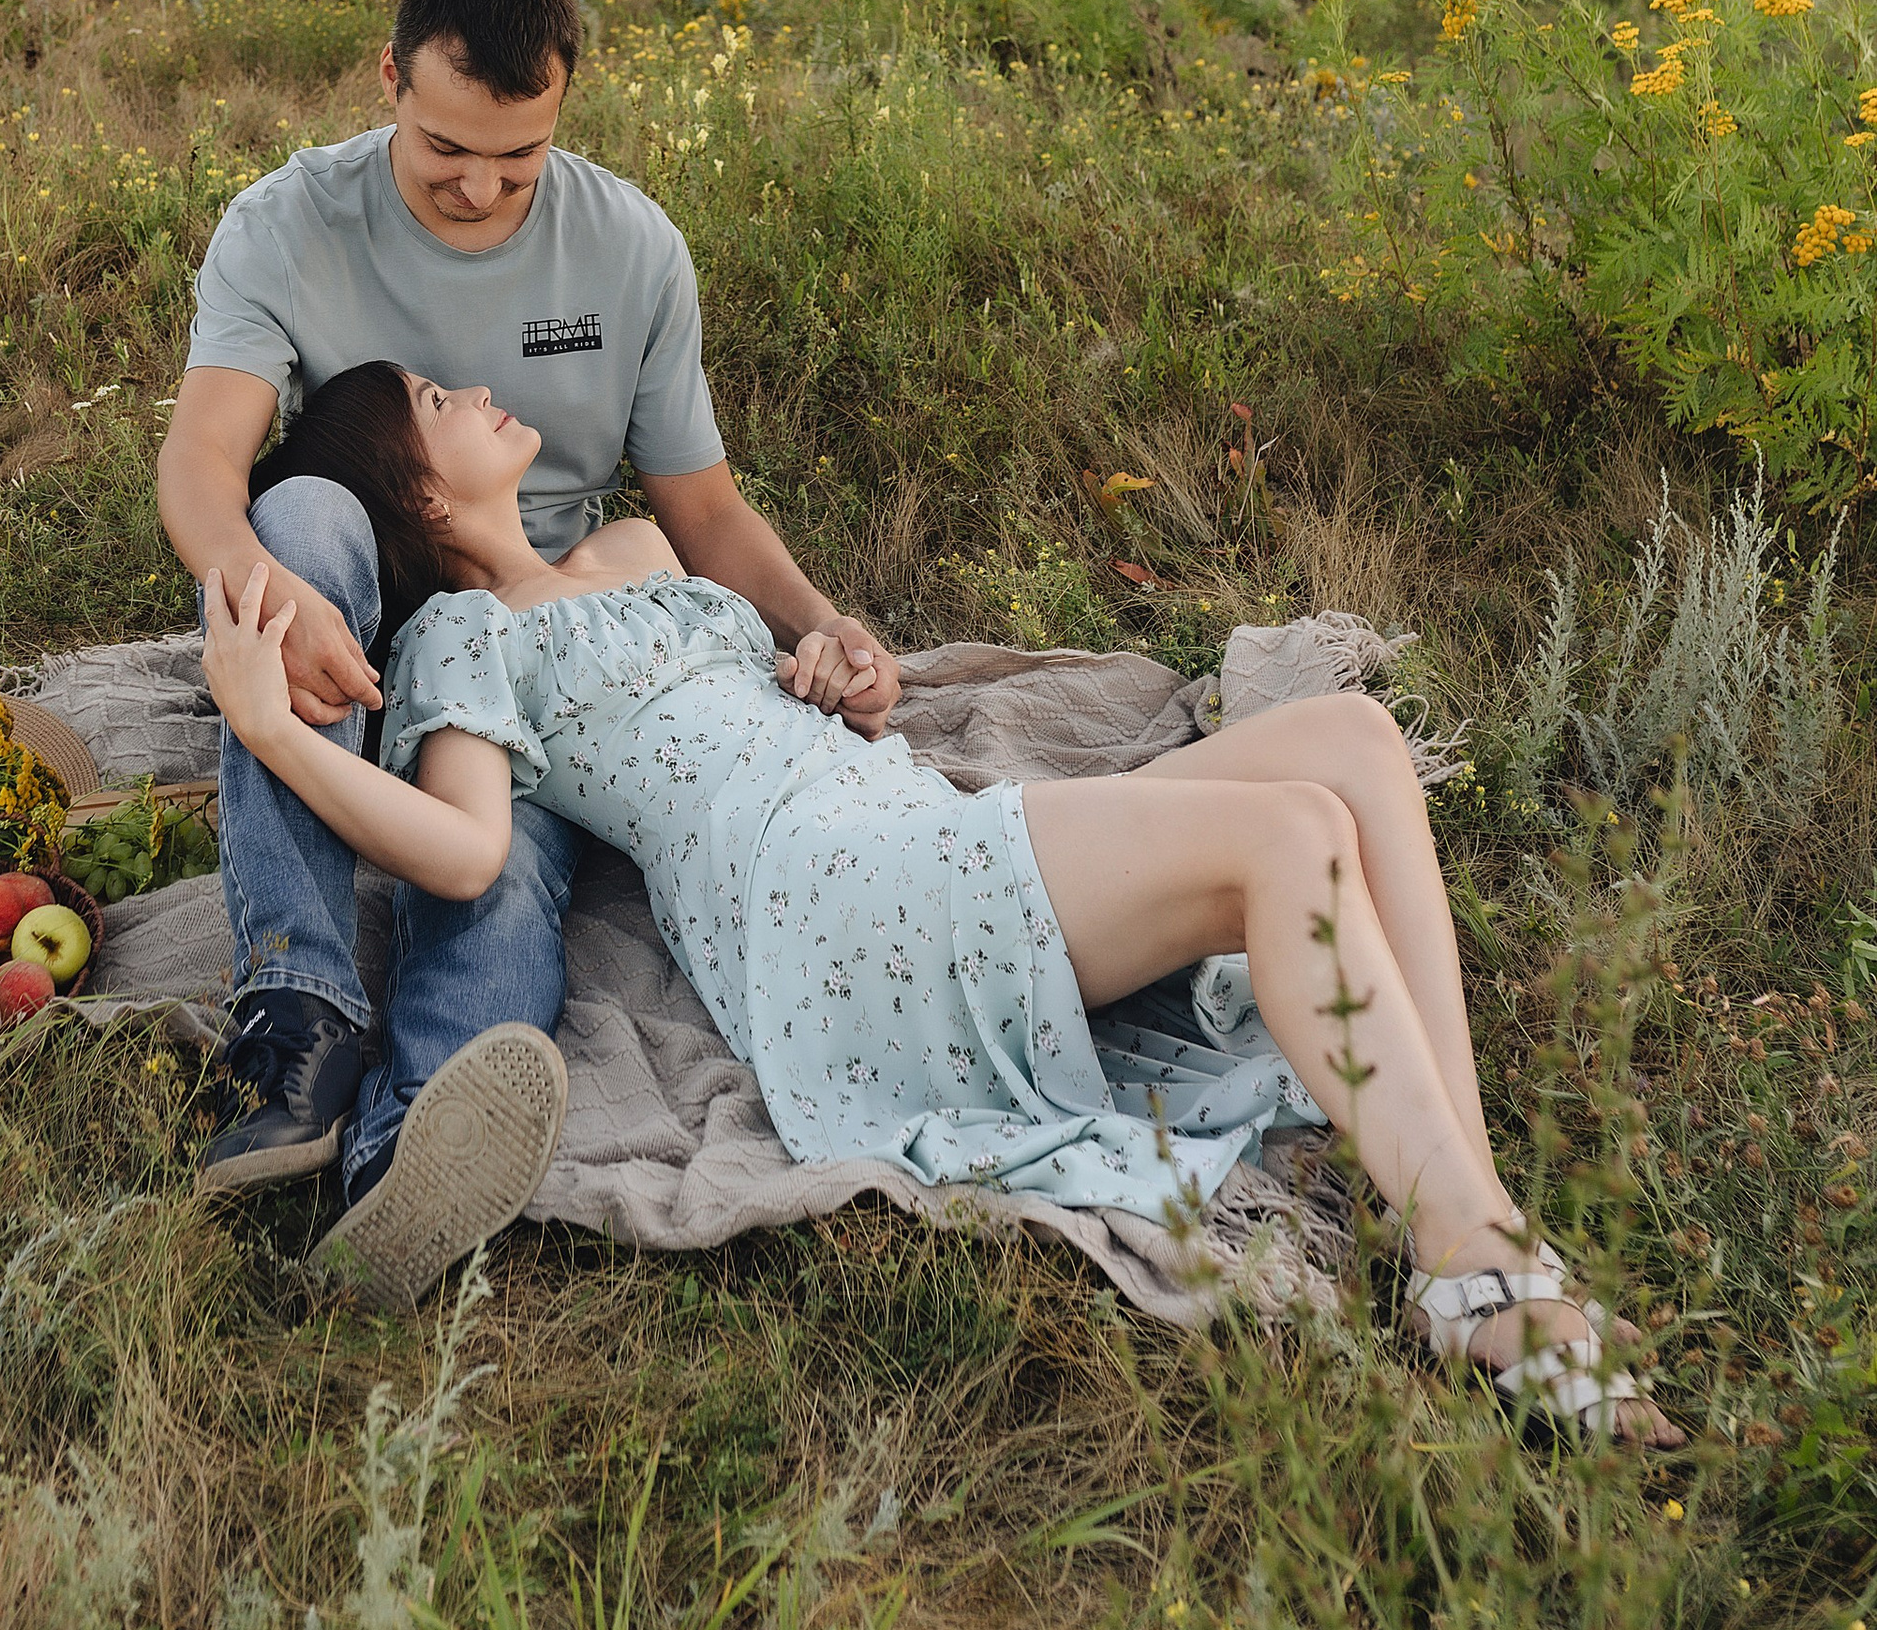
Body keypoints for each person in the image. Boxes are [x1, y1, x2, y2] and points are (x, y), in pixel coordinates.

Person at [198, 362, 1677, 1442]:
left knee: (1351, 742)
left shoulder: (638, 547)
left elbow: (767, 685)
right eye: (439, 400)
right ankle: (1483, 1277)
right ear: (419, 488)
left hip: (895, 810)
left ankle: (1468, 1217)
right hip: (824, 900)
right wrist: (271, 729)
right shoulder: (467, 636)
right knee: (1291, 836)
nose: (477, 389)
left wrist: (828, 667)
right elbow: (464, 852)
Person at [155, 0, 901, 1307]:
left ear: (564, 103)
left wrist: (823, 624)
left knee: (499, 879)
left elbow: (702, 506)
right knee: (295, 516)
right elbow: (204, 462)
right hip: (355, 618)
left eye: (522, 155)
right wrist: (263, 589)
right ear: (388, 77)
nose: (484, 187)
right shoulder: (286, 223)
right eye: (448, 147)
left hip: (547, 649)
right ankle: (300, 1013)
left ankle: (402, 1164)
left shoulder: (630, 248)